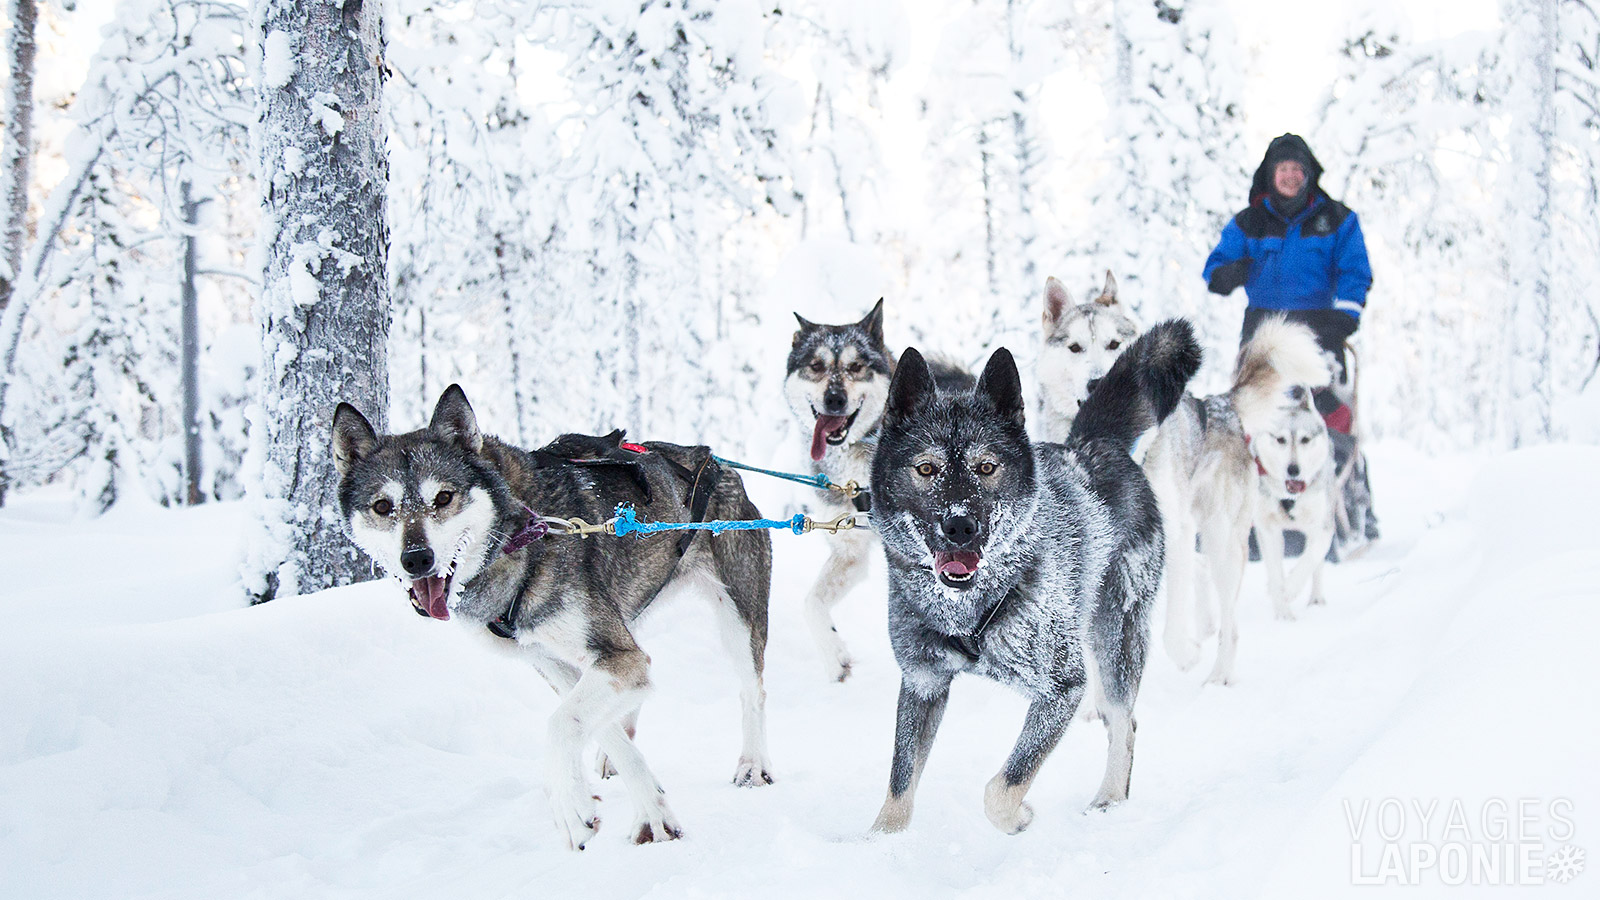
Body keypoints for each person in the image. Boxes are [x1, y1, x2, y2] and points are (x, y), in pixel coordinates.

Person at [1204, 133, 1379, 553]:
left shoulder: (1337, 219)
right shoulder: (1250, 222)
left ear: (1309, 175)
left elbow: (1356, 270)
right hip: (1263, 339)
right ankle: (1250, 522)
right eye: (1283, 170)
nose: (1290, 177)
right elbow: (1215, 269)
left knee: (1332, 422)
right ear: (1270, 174)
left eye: (1298, 170)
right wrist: (1230, 273)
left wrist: (1345, 316)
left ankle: (1348, 512)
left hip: (1321, 334)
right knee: (1254, 423)